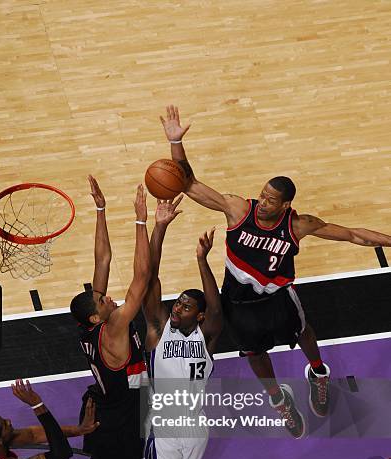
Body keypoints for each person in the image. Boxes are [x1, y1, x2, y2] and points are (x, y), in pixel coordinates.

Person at [160, 105, 391, 439]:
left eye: (271, 200)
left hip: (278, 297)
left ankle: (317, 372)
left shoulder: (298, 225)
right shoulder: (238, 209)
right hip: (238, 303)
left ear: (285, 205)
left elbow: (353, 234)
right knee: (254, 354)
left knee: (304, 332)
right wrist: (175, 143)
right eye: (264, 195)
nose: (264, 201)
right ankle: (278, 399)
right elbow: (191, 184)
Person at [69, 176, 150, 459]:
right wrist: (141, 222)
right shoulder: (114, 327)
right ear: (98, 313)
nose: (109, 296)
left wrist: (100, 210)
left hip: (102, 405)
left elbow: (102, 260)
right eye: (104, 299)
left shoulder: (89, 323)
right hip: (123, 415)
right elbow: (140, 281)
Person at [141, 196, 222, 459]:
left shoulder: (208, 335)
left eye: (186, 306)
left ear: (199, 316)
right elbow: (149, 278)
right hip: (162, 425)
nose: (177, 307)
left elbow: (217, 309)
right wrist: (159, 227)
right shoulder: (159, 330)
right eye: (177, 303)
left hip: (196, 424)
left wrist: (203, 260)